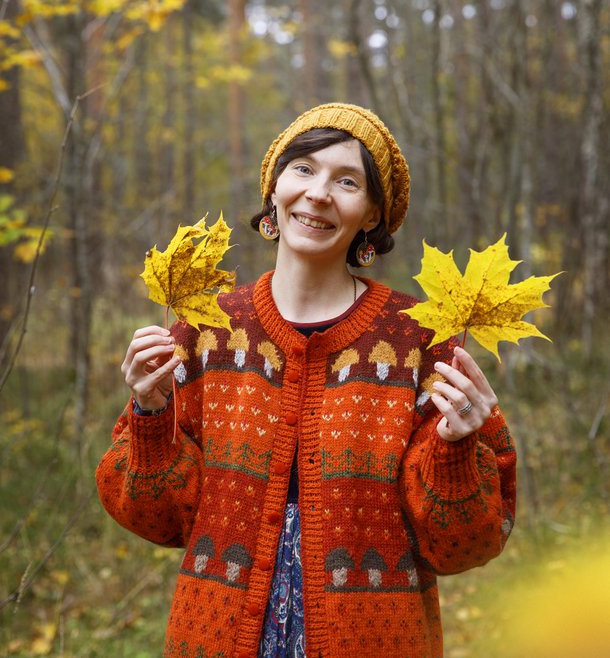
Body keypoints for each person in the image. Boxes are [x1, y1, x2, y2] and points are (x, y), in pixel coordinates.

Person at [97, 103, 516, 658]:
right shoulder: (207, 332)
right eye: (303, 169)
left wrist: (459, 446)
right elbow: (154, 518)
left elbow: (466, 545)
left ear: (371, 215)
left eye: (347, 181)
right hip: (216, 634)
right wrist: (151, 416)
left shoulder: (422, 340)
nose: (318, 193)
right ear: (274, 189)